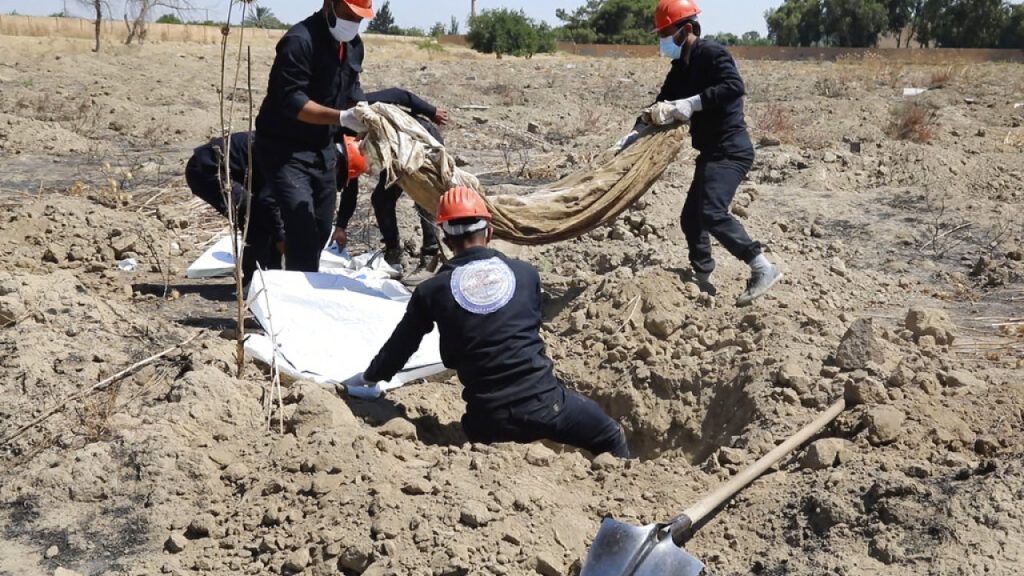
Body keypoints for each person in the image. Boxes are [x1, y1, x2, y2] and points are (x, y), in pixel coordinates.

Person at [342, 187, 631, 459]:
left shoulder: (431, 291)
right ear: (489, 231)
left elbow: (400, 348)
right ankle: (619, 488)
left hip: (487, 421)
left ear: (445, 239)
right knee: (610, 435)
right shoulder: (525, 274)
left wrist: (368, 378)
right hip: (546, 405)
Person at [617, 0, 781, 306]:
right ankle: (702, 276)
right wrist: (633, 133)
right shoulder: (680, 68)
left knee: (711, 213)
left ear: (687, 29)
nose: (662, 40)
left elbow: (733, 86)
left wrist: (692, 103)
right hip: (710, 151)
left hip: (731, 150)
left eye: (665, 33)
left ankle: (762, 267)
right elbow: (659, 104)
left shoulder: (712, 53)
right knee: (691, 220)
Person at [253, 0, 373, 275]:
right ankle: (295, 290)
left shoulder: (353, 45)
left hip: (322, 147)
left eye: (359, 18)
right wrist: (341, 117)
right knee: (302, 227)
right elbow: (292, 102)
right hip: (284, 150)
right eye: (348, 14)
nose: (353, 23)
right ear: (329, 4)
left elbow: (352, 87)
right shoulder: (299, 41)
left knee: (321, 227)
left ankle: (292, 272)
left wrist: (364, 110)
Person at [333, 88, 450, 275]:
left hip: (419, 138)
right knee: (381, 199)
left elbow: (399, 95)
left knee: (422, 193)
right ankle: (393, 252)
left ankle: (430, 254)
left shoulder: (364, 106)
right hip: (391, 153)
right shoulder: (340, 132)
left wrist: (431, 111)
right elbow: (350, 186)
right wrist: (341, 226)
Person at [185, 132, 282, 285]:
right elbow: (268, 200)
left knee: (267, 219)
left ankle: (272, 275)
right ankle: (253, 281)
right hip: (208, 168)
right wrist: (281, 237)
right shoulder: (282, 155)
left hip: (232, 169)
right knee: (254, 217)